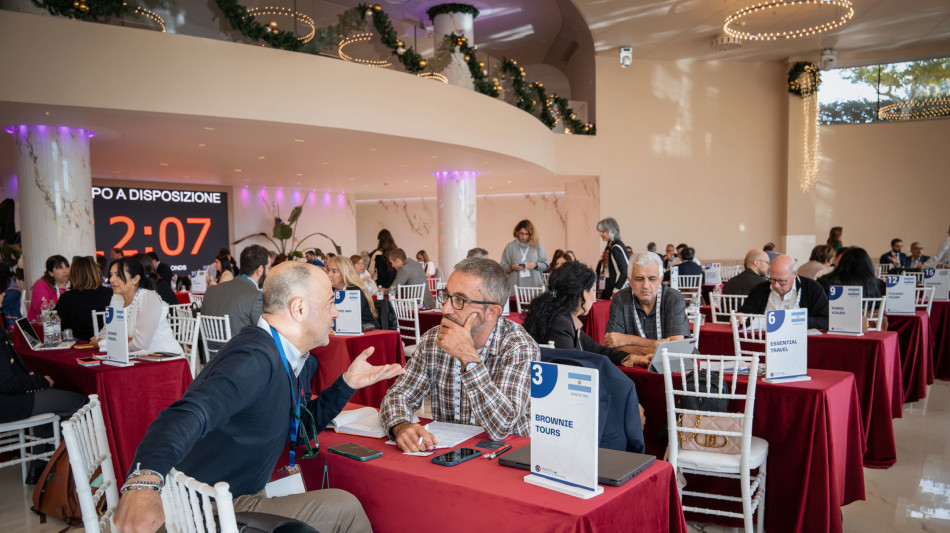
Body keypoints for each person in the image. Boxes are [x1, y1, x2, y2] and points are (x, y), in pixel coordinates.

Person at [111, 261, 404, 533]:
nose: (336, 313)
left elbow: (300, 429)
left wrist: (346, 384)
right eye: (330, 303)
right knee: (347, 508)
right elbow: (187, 413)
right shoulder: (253, 358)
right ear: (299, 308)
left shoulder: (293, 357)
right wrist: (144, 481)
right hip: (211, 505)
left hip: (235, 489)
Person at [380, 258, 539, 451]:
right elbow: (398, 395)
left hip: (503, 457)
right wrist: (401, 425)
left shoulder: (519, 346)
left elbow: (502, 427)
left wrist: (469, 359)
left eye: (459, 301)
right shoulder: (433, 339)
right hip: (447, 454)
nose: (445, 309)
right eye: (446, 296)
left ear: (492, 312)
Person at [1, 329, 87, 483]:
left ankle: (41, 469)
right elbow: (8, 383)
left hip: (9, 401)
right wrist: (42, 381)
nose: (3, 302)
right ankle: (66, 475)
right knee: (79, 403)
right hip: (9, 403)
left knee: (52, 403)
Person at [522, 261, 630, 366]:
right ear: (584, 294)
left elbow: (596, 349)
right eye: (592, 290)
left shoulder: (561, 316)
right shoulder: (561, 323)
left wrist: (631, 358)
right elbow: (571, 365)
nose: (593, 297)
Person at [603, 252, 690, 366]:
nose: (645, 285)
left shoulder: (673, 298)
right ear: (630, 280)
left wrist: (626, 339)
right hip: (633, 368)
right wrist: (652, 347)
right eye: (639, 279)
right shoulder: (620, 298)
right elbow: (612, 344)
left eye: (652, 279)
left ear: (661, 279)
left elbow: (674, 349)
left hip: (671, 370)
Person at [91, 257, 183, 354]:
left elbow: (140, 344)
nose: (111, 280)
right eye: (110, 275)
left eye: (118, 275)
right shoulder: (117, 298)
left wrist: (103, 344)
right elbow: (107, 331)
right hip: (136, 357)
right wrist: (99, 340)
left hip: (165, 358)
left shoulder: (148, 298)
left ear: (135, 279)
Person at [738, 255, 829, 330]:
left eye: (782, 281)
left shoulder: (812, 288)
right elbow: (745, 312)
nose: (776, 285)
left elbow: (825, 320)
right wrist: (740, 317)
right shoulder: (760, 289)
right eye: (772, 279)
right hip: (764, 342)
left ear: (795, 274)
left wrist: (795, 321)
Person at [202, 245, 269, 335]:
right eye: (268, 268)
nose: (269, 272)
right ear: (260, 270)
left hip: (208, 348)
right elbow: (265, 333)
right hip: (239, 348)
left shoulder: (211, 291)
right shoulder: (256, 297)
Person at [54, 257, 112, 341]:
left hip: (78, 344)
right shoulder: (110, 293)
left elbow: (56, 325)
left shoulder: (67, 297)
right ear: (96, 272)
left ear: (73, 275)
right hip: (107, 343)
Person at [327, 256, 380, 330]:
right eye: (328, 270)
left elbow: (348, 319)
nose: (329, 275)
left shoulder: (354, 291)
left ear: (344, 273)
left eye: (334, 271)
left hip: (366, 332)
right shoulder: (329, 291)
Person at [500, 219, 549, 294]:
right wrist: (512, 267)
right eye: (521, 233)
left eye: (527, 234)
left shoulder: (537, 246)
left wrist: (536, 265)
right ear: (517, 232)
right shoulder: (510, 246)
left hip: (535, 288)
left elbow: (546, 265)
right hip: (516, 287)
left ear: (531, 234)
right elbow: (502, 267)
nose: (524, 236)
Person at [818, 247, 885, 298]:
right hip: (870, 316)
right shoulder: (878, 284)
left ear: (843, 262)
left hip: (837, 315)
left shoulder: (828, 281)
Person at [595, 217, 629, 300]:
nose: (600, 234)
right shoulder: (610, 245)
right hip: (607, 287)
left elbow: (625, 272)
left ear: (611, 231)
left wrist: (615, 291)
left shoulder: (616, 247)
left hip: (614, 290)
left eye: (603, 231)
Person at [27, 255, 69, 321]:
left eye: (67, 267)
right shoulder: (41, 285)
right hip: (42, 327)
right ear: (51, 273)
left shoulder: (72, 285)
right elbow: (44, 311)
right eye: (60, 268)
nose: (65, 271)